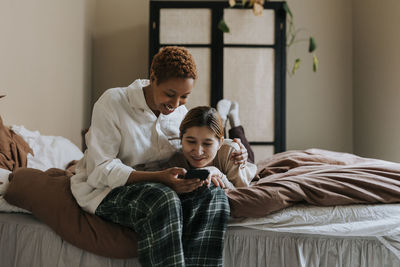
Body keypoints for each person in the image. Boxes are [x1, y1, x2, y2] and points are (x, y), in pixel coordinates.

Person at [70, 46, 249, 267]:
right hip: (107, 191)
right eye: (170, 94)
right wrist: (159, 177)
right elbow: (100, 171)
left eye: (184, 97)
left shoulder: (179, 114)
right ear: (152, 79)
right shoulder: (113, 103)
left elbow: (197, 146)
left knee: (214, 196)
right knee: (163, 199)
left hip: (164, 185)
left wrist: (232, 149)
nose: (175, 104)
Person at [166, 106, 257, 189]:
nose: (198, 152)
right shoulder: (176, 161)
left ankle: (234, 120)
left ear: (220, 143)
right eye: (191, 142)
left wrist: (218, 174)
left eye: (207, 144)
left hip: (244, 166)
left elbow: (242, 193)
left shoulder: (232, 152)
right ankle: (222, 120)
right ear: (181, 138)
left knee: (239, 142)